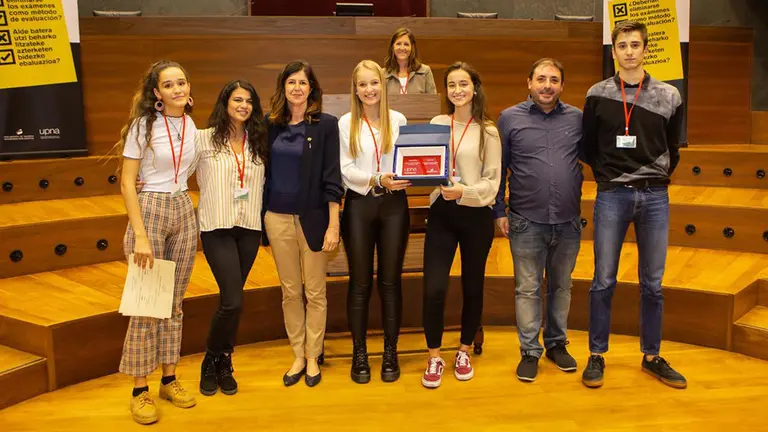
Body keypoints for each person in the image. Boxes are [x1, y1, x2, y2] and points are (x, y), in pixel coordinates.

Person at [580, 20, 687, 389]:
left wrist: (652, 175)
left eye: (635, 45)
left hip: (655, 195)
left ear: (645, 49)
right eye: (622, 45)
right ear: (614, 52)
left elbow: (673, 148)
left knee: (653, 284)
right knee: (603, 280)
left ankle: (652, 355)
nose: (628, 51)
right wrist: (610, 175)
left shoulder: (669, 95)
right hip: (612, 195)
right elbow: (588, 147)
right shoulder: (597, 94)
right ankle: (597, 355)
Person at [116, 60, 197, 424]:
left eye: (181, 82)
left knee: (174, 303)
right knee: (147, 303)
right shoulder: (142, 126)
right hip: (150, 209)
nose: (177, 89)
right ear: (157, 93)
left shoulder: (191, 124)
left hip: (183, 206)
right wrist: (141, 237)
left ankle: (169, 378)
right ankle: (139, 390)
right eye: (169, 85)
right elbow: (126, 182)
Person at [493, 58, 583, 382]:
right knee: (528, 289)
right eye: (541, 79)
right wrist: (498, 211)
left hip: (568, 221)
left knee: (561, 287)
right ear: (528, 82)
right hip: (526, 220)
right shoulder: (509, 118)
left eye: (554, 80)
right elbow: (498, 166)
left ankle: (557, 344)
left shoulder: (577, 119)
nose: (547, 85)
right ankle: (530, 351)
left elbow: (591, 158)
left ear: (562, 85)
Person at [420, 62, 501, 389]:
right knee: (434, 287)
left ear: (475, 88)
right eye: (451, 85)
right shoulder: (437, 123)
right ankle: (434, 356)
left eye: (463, 84)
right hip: (442, 213)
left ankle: (464, 350)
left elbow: (492, 182)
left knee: (472, 286)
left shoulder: (489, 131)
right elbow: (424, 163)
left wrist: (463, 191)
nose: (457, 90)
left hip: (475, 215)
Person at [264, 60, 344, 388]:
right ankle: (298, 353)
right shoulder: (271, 126)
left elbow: (332, 179)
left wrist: (333, 225)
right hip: (276, 217)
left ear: (312, 89)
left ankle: (314, 355)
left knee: (315, 291)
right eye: (291, 82)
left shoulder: (325, 125)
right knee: (290, 291)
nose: (297, 87)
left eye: (303, 82)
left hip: (313, 219)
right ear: (283, 88)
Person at [338, 60, 410, 384]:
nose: (369, 90)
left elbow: (407, 163)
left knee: (391, 282)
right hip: (359, 206)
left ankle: (391, 351)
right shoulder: (345, 123)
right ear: (355, 89)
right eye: (363, 84)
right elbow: (346, 171)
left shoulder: (399, 120)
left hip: (394, 206)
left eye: (375, 83)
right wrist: (377, 178)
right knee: (360, 283)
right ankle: (359, 352)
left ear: (384, 85)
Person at [196, 80, 268, 396]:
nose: (243, 105)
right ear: (224, 102)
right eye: (237, 99)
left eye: (249, 101)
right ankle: (212, 357)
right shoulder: (203, 140)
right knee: (232, 299)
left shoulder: (259, 141)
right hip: (217, 227)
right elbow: (174, 167)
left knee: (234, 304)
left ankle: (224, 361)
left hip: (249, 226)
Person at [384, 27, 437, 95]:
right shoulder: (383, 74)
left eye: (406, 44)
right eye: (398, 44)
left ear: (412, 48)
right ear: (392, 47)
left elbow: (432, 102)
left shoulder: (425, 71)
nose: (402, 48)